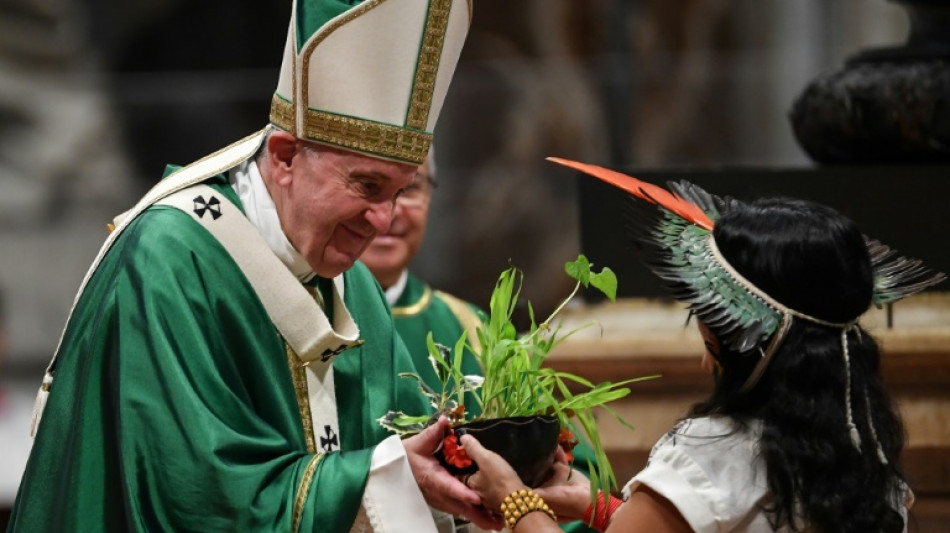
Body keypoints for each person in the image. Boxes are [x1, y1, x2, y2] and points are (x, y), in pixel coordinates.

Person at [7, 1, 505, 532]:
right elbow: (194, 496)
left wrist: (463, 479)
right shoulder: (169, 262)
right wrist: (380, 478)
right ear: (286, 156)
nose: (384, 220)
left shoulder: (351, 283)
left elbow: (406, 447)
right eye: (367, 186)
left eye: (402, 191)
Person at [456, 159, 945, 533]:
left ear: (727, 334)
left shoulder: (715, 454)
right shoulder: (866, 456)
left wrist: (515, 500)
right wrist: (598, 508)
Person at [360, 148, 485, 404]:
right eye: (369, 186)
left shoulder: (472, 328)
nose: (391, 213)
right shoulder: (304, 320)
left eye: (409, 188)